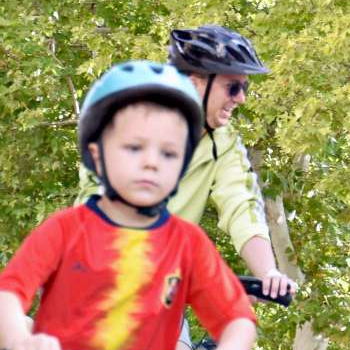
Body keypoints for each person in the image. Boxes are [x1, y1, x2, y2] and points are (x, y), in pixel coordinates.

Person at [0, 61, 256, 350]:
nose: (151, 163)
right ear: (96, 155)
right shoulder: (65, 229)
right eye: (134, 148)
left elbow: (237, 317)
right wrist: (22, 343)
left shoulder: (187, 244)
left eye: (169, 153)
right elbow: (8, 295)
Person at [77, 26, 298, 303]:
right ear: (195, 84)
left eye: (244, 87)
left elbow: (242, 206)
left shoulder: (224, 142)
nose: (241, 98)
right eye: (232, 87)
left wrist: (268, 273)